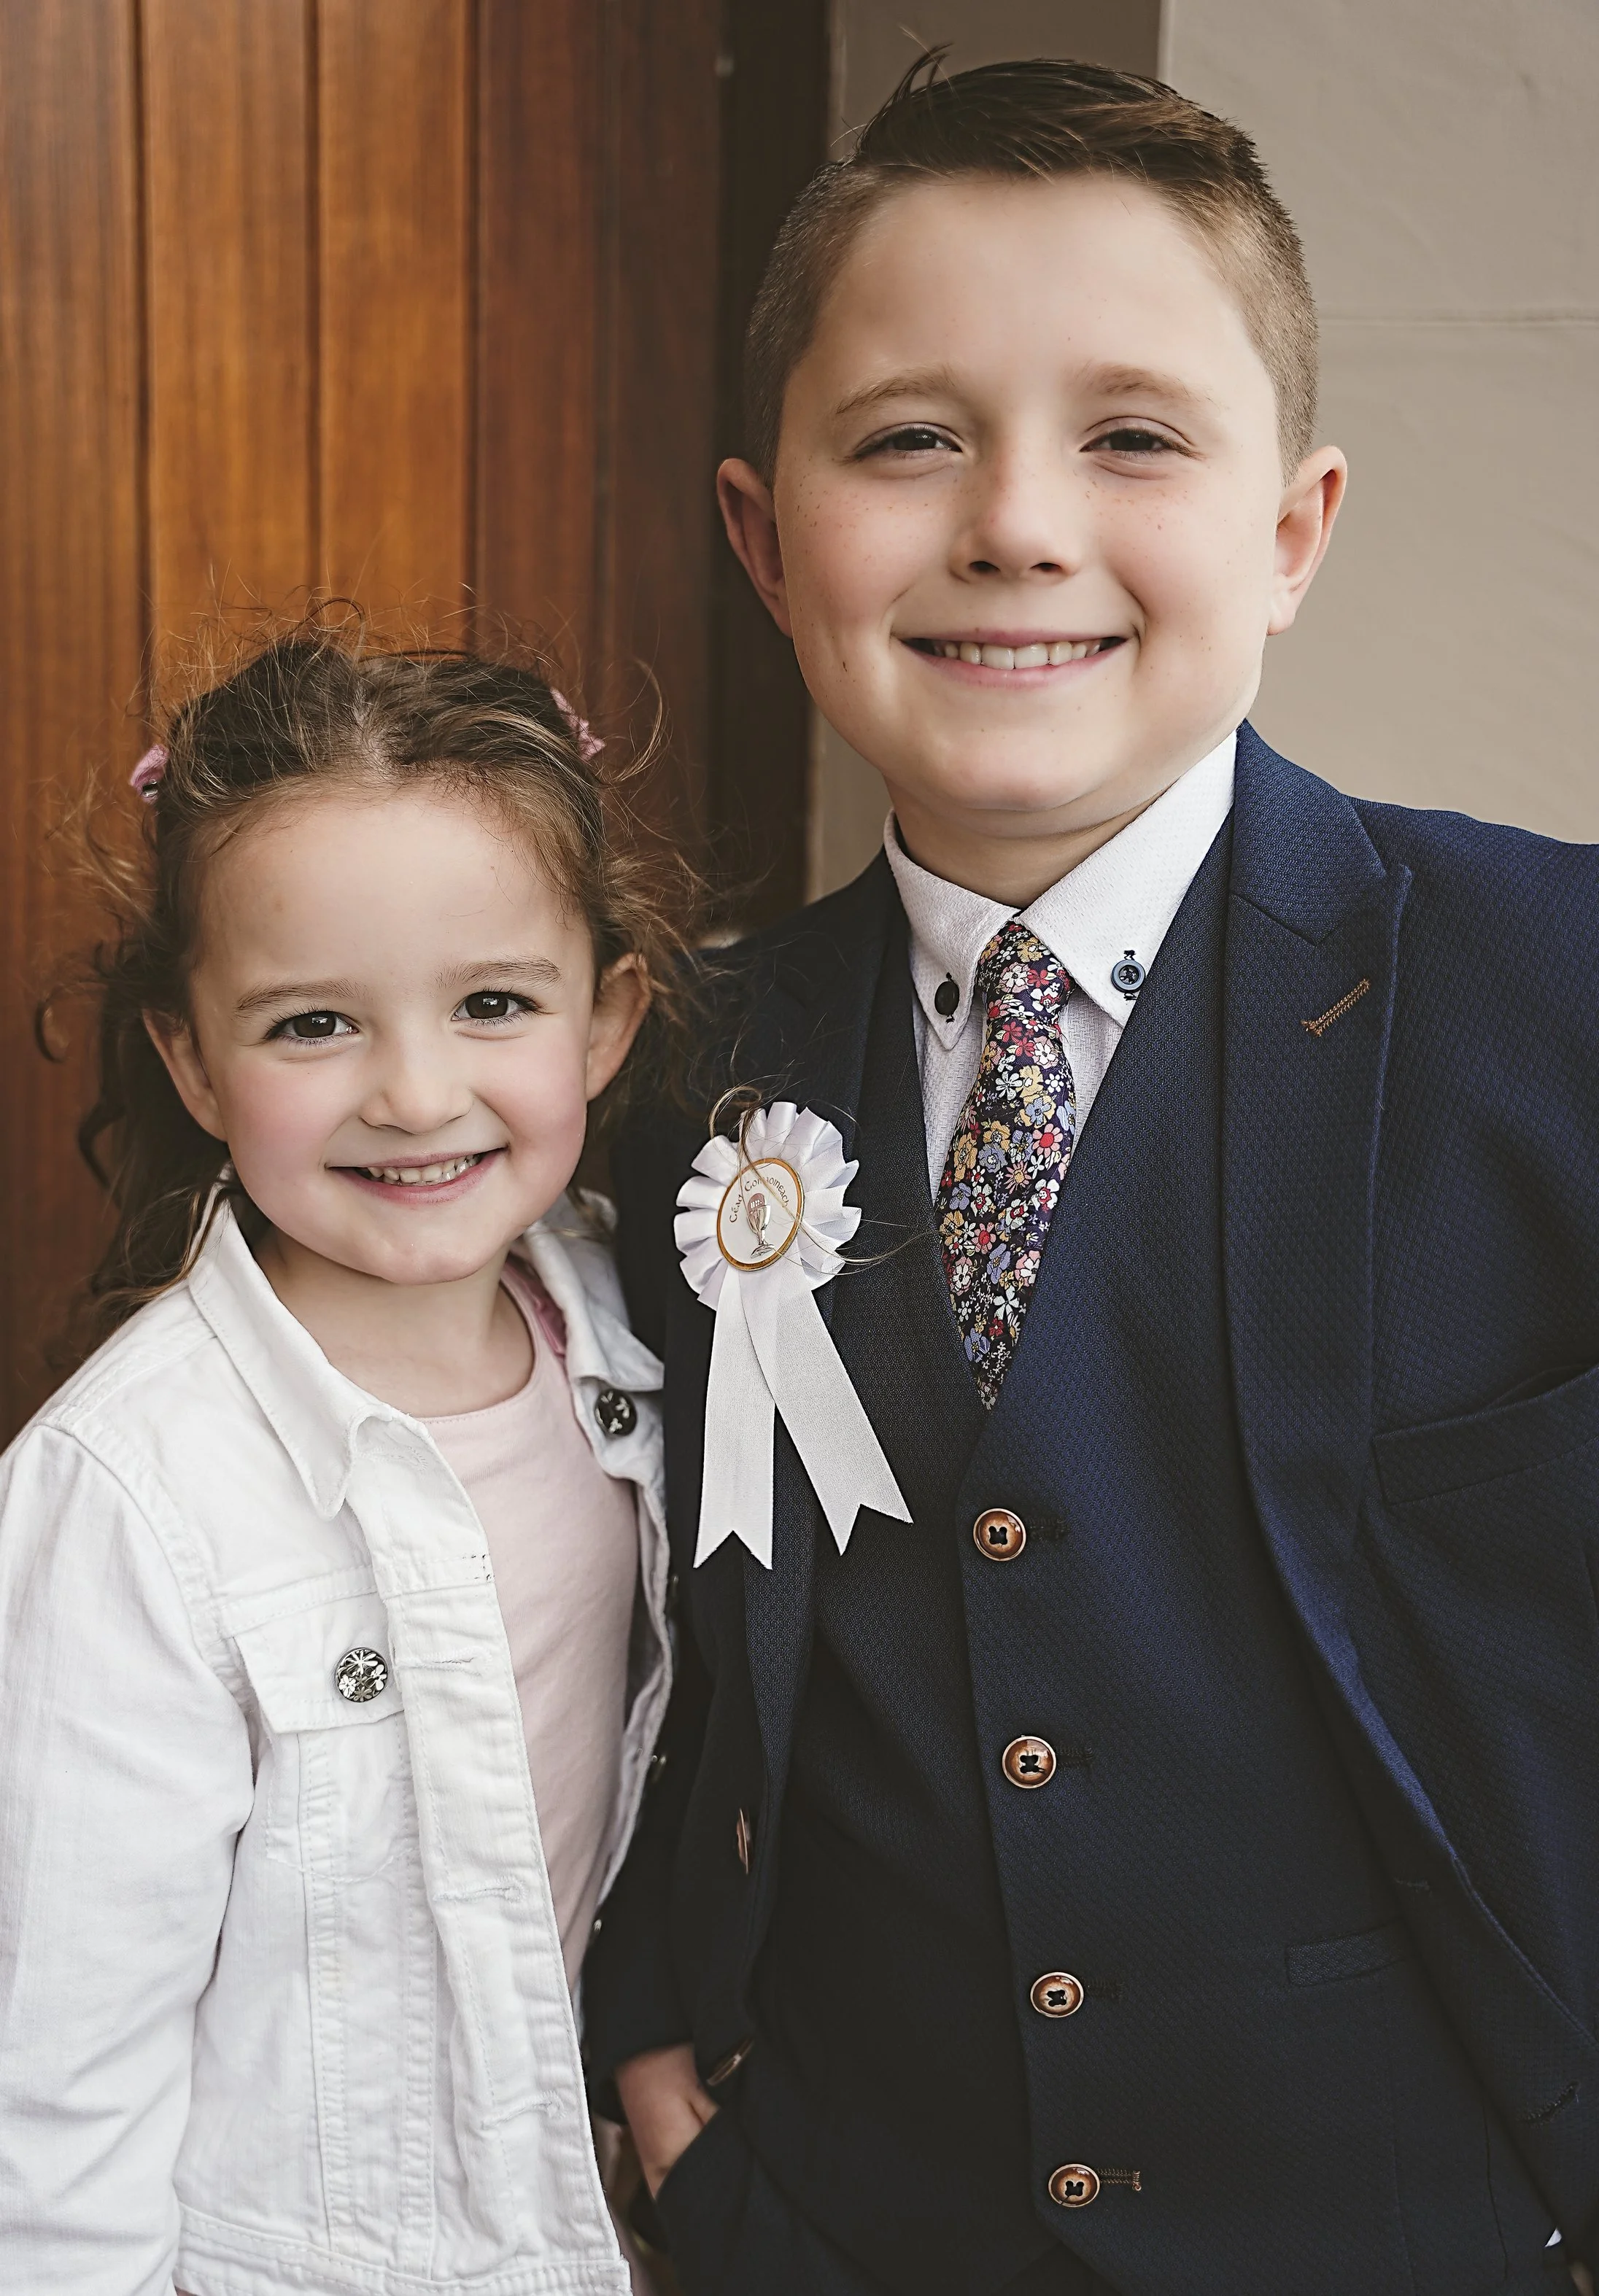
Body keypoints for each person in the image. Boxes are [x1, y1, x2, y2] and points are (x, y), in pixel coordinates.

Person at [582, 53, 1599, 2296]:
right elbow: (634, 1609)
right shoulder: (674, 1067)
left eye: (1132, 437)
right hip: (844, 2228)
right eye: (908, 438)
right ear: (765, 537)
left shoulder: (1561, 992)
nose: (1016, 522)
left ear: (1294, 529)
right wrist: (650, 2020)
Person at [0, 623, 688, 2295]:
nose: (415, 1088)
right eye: (314, 1022)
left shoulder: (640, 1332)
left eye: (493, 1003)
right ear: (189, 1054)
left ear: (603, 1019)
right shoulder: (133, 1487)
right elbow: (57, 2076)